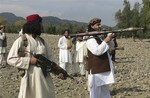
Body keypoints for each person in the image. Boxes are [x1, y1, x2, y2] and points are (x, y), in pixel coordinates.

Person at [7, 14, 63, 98]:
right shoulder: (21, 40)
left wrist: (57, 72)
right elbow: (10, 59)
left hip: (45, 77)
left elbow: (50, 59)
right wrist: (29, 61)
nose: (41, 26)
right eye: (40, 23)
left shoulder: (42, 41)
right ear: (34, 24)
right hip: (30, 77)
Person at [86, 18, 115, 98]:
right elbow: (97, 51)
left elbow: (110, 47)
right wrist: (105, 41)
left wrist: (110, 38)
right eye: (98, 25)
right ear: (92, 26)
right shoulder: (90, 39)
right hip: (96, 72)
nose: (100, 26)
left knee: (105, 94)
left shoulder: (99, 37)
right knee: (95, 95)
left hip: (103, 70)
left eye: (100, 24)